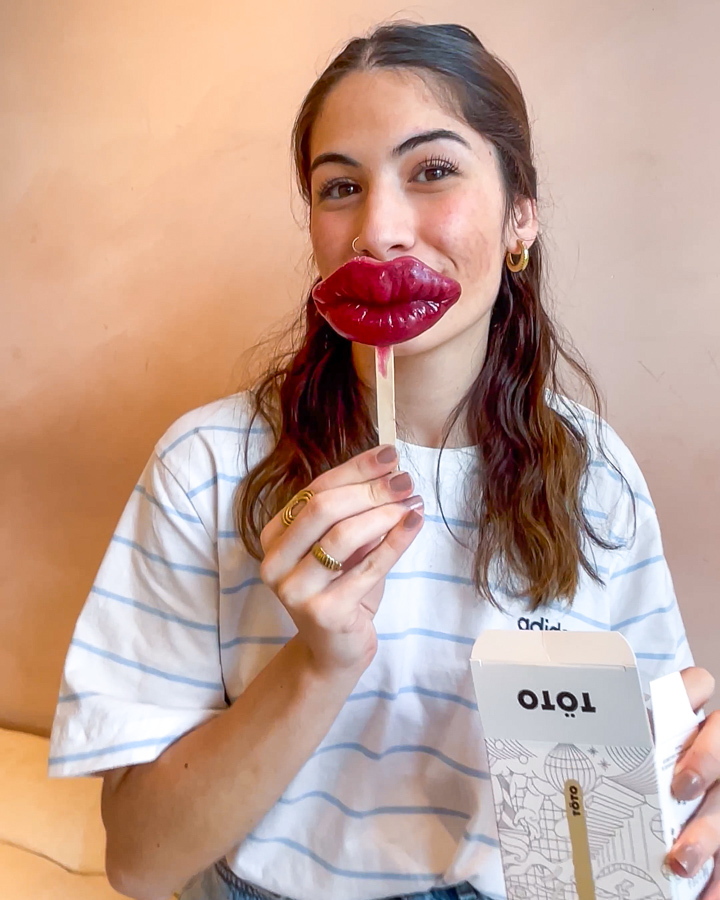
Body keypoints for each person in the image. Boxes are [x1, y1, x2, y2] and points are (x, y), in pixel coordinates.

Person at [49, 21, 719, 900]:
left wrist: (687, 793)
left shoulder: (596, 476)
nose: (380, 230)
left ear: (522, 214)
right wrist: (320, 661)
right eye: (340, 187)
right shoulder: (206, 468)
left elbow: (618, 805)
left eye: (432, 171)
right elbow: (141, 862)